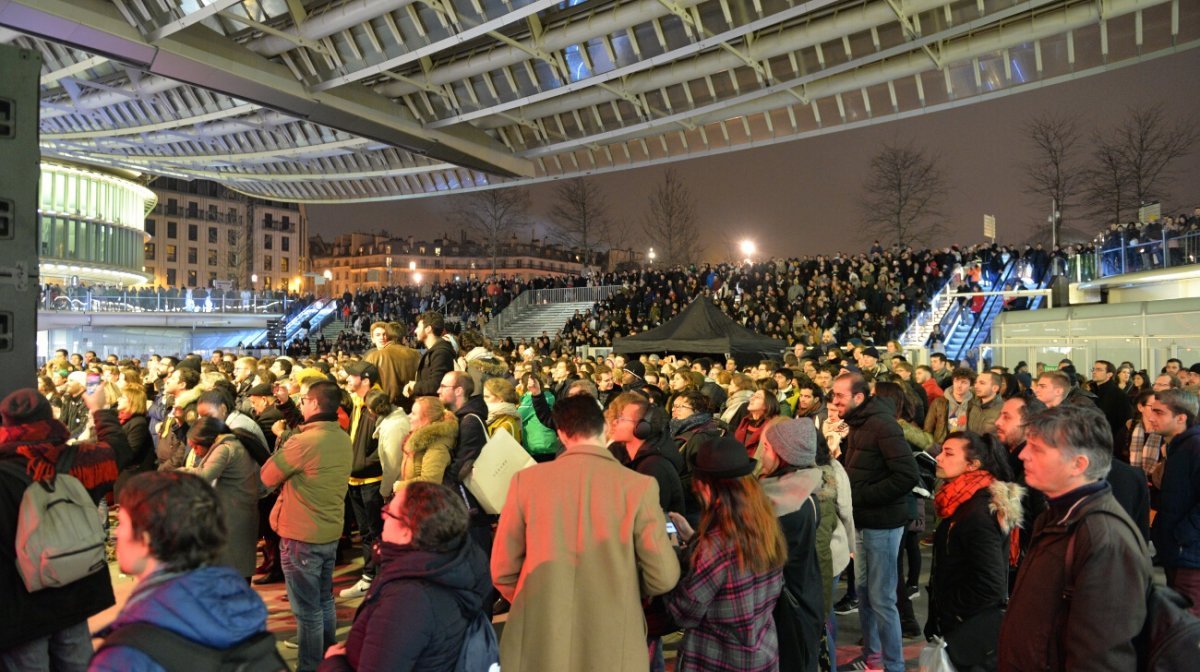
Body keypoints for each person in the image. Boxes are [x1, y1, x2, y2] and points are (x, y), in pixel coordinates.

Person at [491, 395, 680, 672]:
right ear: (604, 428)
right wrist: (622, 588)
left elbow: (502, 569)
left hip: (539, 633)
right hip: (613, 636)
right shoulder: (638, 486)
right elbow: (663, 576)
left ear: (561, 434)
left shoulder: (527, 482)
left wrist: (539, 598)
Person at [998, 405, 1151, 670]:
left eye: (1037, 449)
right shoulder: (1057, 516)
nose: (1023, 455)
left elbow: (1102, 656)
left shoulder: (1104, 539)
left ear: (1078, 464)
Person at [89, 471, 273, 671]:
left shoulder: (127, 653)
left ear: (147, 538)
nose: (116, 533)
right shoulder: (237, 599)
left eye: (123, 523)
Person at [0, 386, 122, 672]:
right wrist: (100, 409)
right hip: (74, 585)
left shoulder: (4, 469)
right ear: (50, 417)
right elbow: (118, 450)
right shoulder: (81, 460)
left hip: (20, 600)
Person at [317, 482, 492, 672]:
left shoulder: (407, 600)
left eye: (389, 512)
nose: (382, 516)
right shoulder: (453, 566)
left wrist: (333, 663)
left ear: (408, 531)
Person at [665, 436, 787, 672]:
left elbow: (685, 612)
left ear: (706, 485)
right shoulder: (764, 523)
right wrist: (693, 539)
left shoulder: (717, 543)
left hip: (720, 659)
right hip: (762, 651)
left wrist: (666, 566)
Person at [260, 381, 353, 672]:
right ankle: (327, 658)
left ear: (313, 404)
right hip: (327, 531)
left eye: (302, 401)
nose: (300, 405)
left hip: (302, 534)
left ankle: (311, 666)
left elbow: (267, 475)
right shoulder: (340, 436)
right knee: (324, 601)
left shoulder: (303, 442)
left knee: (308, 612)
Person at [831, 373, 918, 672]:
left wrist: (862, 496)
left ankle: (894, 666)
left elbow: (907, 475)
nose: (834, 401)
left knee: (881, 599)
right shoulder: (858, 424)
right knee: (865, 594)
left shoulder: (882, 424)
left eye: (839, 396)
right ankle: (873, 659)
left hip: (882, 525)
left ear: (859, 397)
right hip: (863, 522)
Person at [925, 432, 1023, 672]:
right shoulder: (959, 503)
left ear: (973, 465)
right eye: (941, 451)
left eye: (949, 453)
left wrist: (951, 609)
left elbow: (991, 584)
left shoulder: (977, 512)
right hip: (961, 624)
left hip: (971, 630)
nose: (939, 458)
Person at [756, 418, 825, 672]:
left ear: (783, 455)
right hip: (805, 598)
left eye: (766, 447)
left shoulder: (786, 505)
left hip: (787, 611)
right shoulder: (804, 488)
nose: (761, 454)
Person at [181, 417, 261, 579]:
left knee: (234, 566)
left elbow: (203, 476)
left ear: (207, 440)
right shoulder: (232, 444)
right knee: (239, 564)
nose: (194, 451)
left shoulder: (224, 449)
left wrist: (180, 471)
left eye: (195, 446)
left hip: (234, 515)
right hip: (240, 511)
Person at [1147, 389, 1200, 615]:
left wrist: (1183, 536)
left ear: (1181, 417)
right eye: (1151, 410)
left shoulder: (1195, 446)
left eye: (1159, 412)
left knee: (1188, 624)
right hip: (1176, 550)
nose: (1151, 417)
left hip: (1190, 554)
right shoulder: (1177, 447)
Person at [340, 361, 385, 600]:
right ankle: (370, 576)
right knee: (367, 533)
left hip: (371, 478)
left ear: (365, 380)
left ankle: (378, 577)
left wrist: (365, 462)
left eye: (352, 376)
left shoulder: (377, 404)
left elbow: (386, 442)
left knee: (375, 532)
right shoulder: (359, 403)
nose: (347, 379)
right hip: (356, 477)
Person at [396, 396, 456, 488]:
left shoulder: (438, 445)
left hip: (425, 500)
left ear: (427, 418)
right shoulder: (417, 437)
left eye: (414, 414)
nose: (409, 416)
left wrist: (401, 486)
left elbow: (430, 482)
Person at [362, 321, 419, 410]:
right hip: (412, 408)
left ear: (388, 336)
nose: (381, 337)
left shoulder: (374, 357)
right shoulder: (416, 354)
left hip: (385, 409)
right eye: (378, 335)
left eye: (384, 334)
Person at [407, 312, 456, 400]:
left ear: (428, 329)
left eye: (418, 327)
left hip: (434, 408)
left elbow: (437, 384)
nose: (415, 331)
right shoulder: (435, 351)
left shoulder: (440, 353)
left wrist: (414, 386)